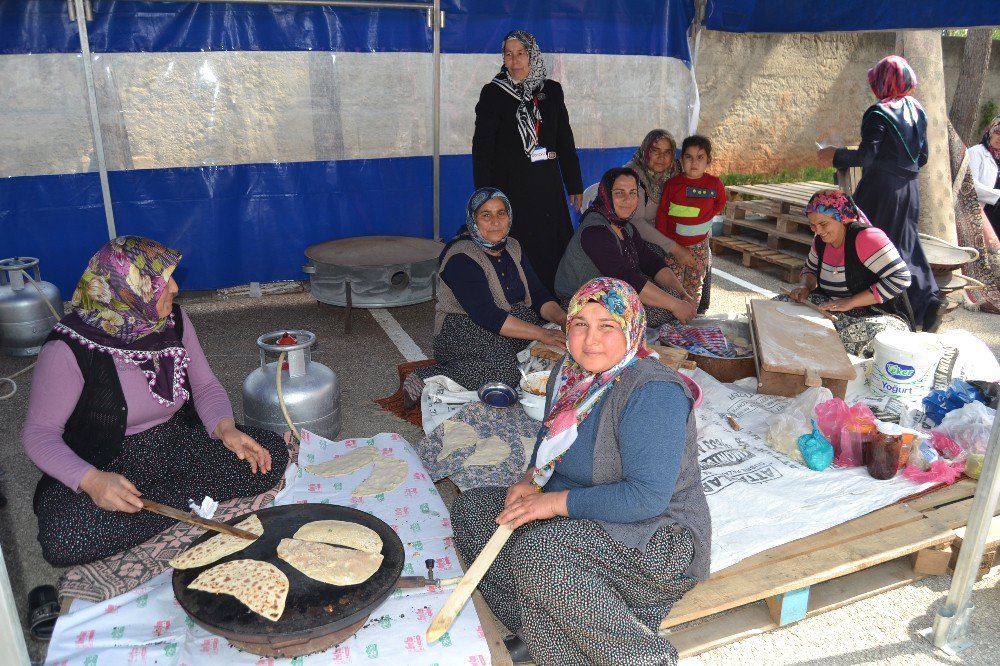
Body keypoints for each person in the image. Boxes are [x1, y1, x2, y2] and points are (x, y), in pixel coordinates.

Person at [451, 277, 710, 666]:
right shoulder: (569, 375)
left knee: (539, 554)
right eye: (580, 324)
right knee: (474, 511)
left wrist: (552, 503)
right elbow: (546, 446)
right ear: (567, 327)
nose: (591, 340)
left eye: (607, 326)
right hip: (584, 514)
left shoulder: (653, 391)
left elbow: (646, 497)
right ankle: (554, 625)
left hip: (655, 535)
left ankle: (643, 657)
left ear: (631, 330)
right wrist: (528, 483)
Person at [22, 236, 289, 567]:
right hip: (108, 460)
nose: (175, 287)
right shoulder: (68, 349)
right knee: (64, 539)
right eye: (162, 281)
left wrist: (225, 429)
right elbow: (39, 433)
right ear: (127, 288)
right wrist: (91, 481)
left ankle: (162, 505)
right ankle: (185, 501)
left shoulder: (172, 321)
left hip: (177, 441)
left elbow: (205, 386)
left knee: (269, 455)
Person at [404, 188, 567, 404]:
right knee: (505, 373)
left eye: (501, 213)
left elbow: (538, 295)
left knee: (567, 336)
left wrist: (564, 320)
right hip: (462, 329)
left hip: (509, 323)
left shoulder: (513, 247)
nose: (495, 221)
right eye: (486, 215)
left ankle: (513, 356)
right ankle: (428, 377)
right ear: (474, 220)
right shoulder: (461, 257)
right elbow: (486, 314)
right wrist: (542, 334)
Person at [818, 55, 944, 332]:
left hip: (881, 190)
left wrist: (834, 154)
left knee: (868, 242)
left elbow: (867, 156)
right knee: (906, 245)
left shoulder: (878, 113)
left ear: (881, 82)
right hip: (909, 189)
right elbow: (921, 157)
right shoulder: (917, 109)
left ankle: (871, 303)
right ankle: (928, 301)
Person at [472, 30, 583, 292]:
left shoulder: (552, 91)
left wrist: (574, 184)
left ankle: (556, 299)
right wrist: (486, 194)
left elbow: (565, 141)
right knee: (521, 246)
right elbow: (482, 148)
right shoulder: (493, 93)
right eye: (508, 55)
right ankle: (526, 301)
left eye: (521, 53)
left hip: (547, 185)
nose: (515, 60)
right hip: (512, 187)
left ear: (532, 55)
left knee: (553, 246)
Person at [555, 167, 696, 327]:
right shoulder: (595, 232)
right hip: (580, 301)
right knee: (664, 310)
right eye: (619, 193)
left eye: (633, 193)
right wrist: (675, 305)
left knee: (668, 290)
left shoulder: (626, 227)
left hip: (611, 292)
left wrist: (682, 295)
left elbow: (651, 262)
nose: (627, 200)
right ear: (606, 195)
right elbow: (624, 278)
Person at [782, 190, 914, 356]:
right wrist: (805, 286)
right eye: (813, 225)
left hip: (876, 315)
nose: (818, 231)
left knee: (863, 338)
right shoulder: (821, 241)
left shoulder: (867, 238)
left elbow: (901, 278)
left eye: (823, 224)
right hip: (835, 307)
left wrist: (852, 301)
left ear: (842, 219)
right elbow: (810, 269)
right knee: (780, 305)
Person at [656, 135, 727, 311]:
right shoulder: (673, 185)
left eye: (700, 157)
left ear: (708, 160)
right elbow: (663, 213)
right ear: (681, 160)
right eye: (689, 157)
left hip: (700, 246)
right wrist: (666, 244)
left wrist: (705, 215)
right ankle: (672, 318)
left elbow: (720, 202)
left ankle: (690, 316)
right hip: (674, 245)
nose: (694, 162)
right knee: (672, 286)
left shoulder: (714, 184)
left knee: (694, 285)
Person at [968, 114, 1000, 236]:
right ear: (990, 131)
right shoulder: (976, 153)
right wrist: (997, 196)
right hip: (979, 217)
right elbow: (970, 185)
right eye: (998, 133)